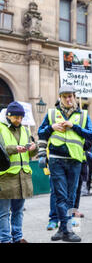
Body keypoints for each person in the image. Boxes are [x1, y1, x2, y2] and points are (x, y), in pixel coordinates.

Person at [38, 85, 92, 242]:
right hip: (56, 159)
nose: (68, 99)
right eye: (64, 96)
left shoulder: (83, 115)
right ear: (60, 98)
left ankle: (63, 230)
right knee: (60, 196)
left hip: (75, 160)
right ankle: (67, 231)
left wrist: (73, 126)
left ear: (75, 97)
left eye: (70, 96)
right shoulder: (51, 114)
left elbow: (90, 134)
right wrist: (51, 127)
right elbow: (41, 132)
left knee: (70, 196)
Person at [0, 102, 37, 243]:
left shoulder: (26, 131)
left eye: (21, 117)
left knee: (18, 211)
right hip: (5, 177)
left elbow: (31, 153)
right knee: (3, 213)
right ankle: (5, 239)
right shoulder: (0, 128)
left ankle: (17, 237)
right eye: (15, 117)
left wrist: (33, 148)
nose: (19, 120)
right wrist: (15, 148)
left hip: (22, 177)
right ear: (8, 116)